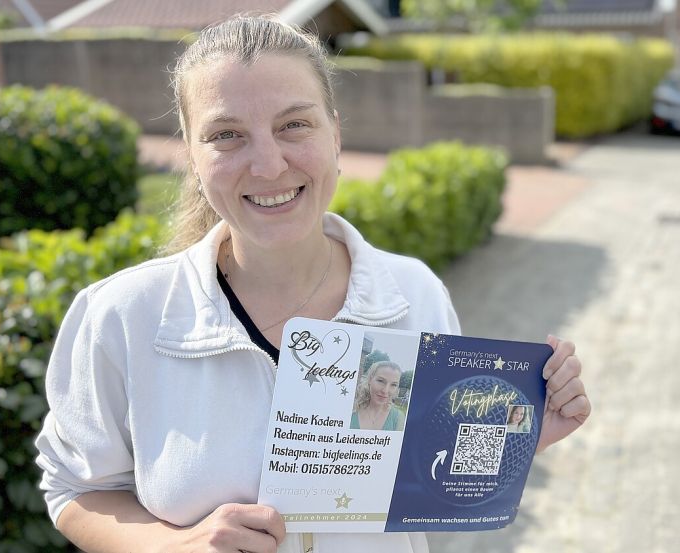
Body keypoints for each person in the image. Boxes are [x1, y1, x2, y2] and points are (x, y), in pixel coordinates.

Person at [34, 13, 591, 553]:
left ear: (336, 136)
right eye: (227, 135)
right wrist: (167, 546)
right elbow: (75, 487)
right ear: (193, 158)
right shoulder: (122, 316)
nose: (270, 165)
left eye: (293, 125)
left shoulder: (414, 293)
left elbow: (428, 478)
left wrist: (518, 435)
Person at [350, 361, 406, 431]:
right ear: (370, 380)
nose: (385, 390)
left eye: (393, 384)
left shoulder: (398, 418)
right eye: (380, 381)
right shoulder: (351, 410)